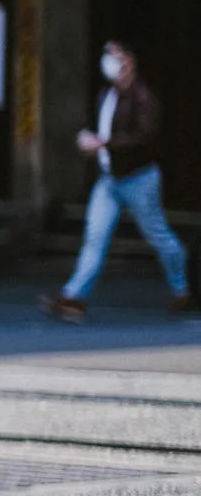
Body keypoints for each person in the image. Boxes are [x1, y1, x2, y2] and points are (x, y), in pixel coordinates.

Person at [40, 40, 194, 322]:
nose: (109, 61)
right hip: (109, 180)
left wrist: (103, 143)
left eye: (115, 55)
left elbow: (144, 137)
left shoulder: (144, 97)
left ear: (129, 61)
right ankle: (73, 298)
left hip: (139, 180)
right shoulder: (106, 95)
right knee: (94, 237)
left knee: (158, 235)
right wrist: (92, 144)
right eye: (107, 55)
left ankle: (184, 288)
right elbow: (105, 133)